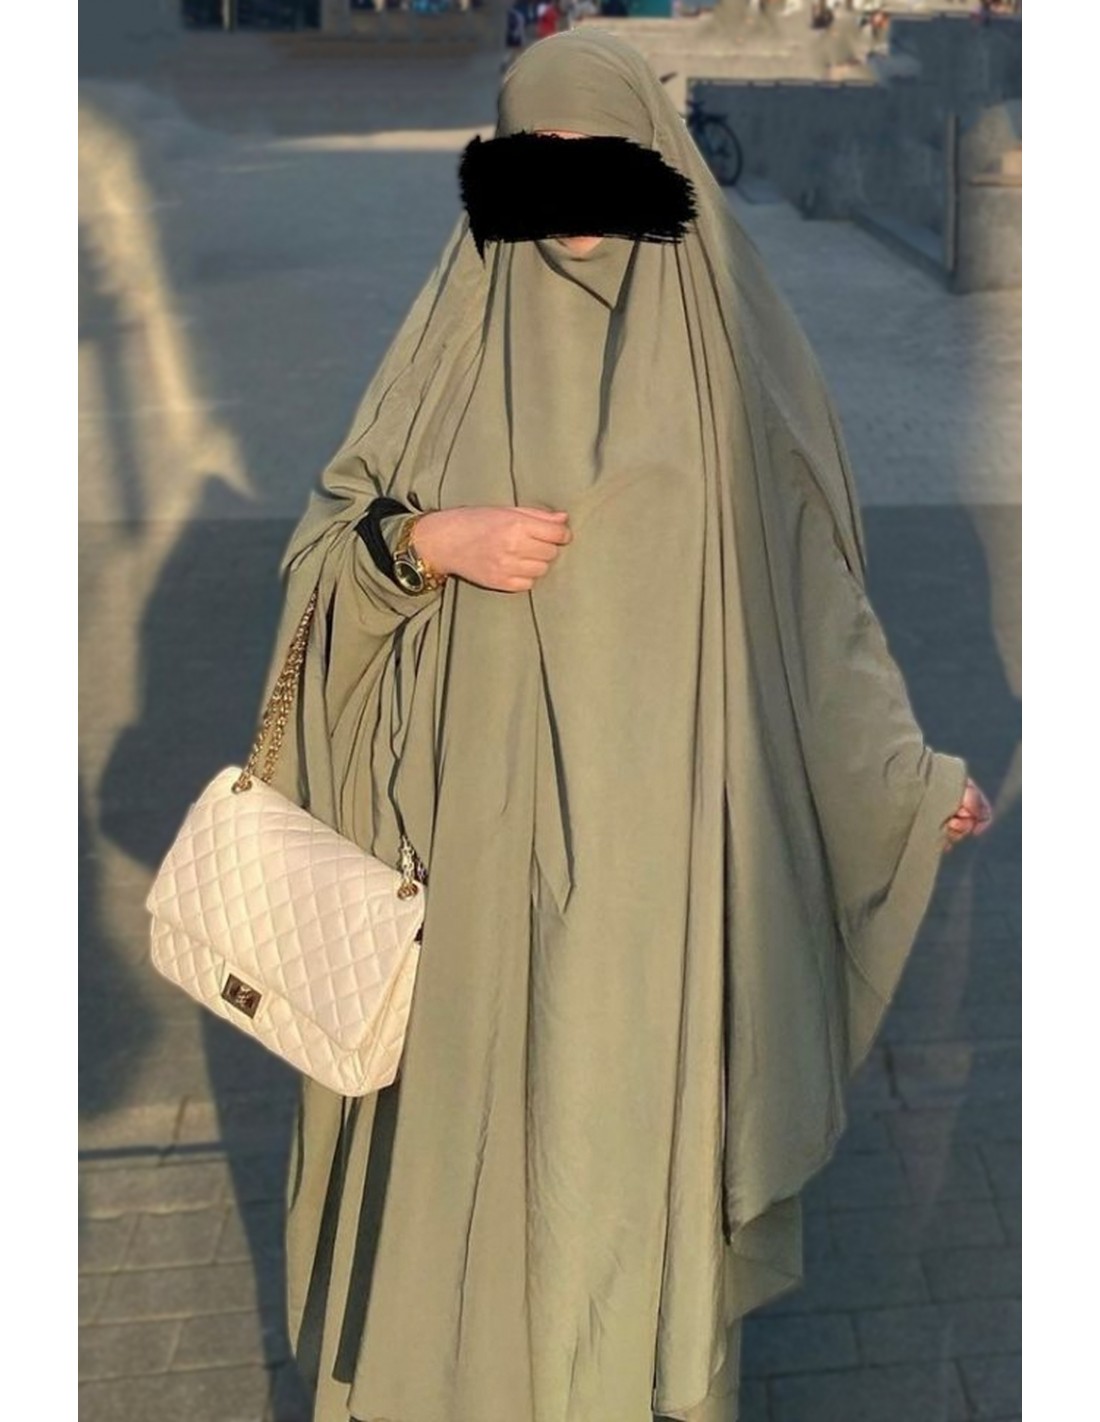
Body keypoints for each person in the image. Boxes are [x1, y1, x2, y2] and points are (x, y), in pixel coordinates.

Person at [257, 27, 992, 1422]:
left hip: (667, 885)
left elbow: (814, 599)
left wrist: (898, 781)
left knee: (625, 1161)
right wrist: (431, 541)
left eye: (596, 151)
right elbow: (324, 557)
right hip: (475, 872)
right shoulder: (453, 342)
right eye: (534, 156)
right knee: (485, 1174)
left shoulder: (727, 358)